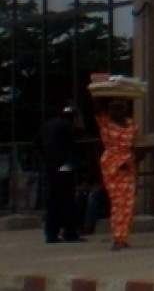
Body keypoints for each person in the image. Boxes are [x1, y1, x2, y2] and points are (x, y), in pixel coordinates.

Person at [36, 100, 85, 244]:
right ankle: (69, 233)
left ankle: (51, 234)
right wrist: (80, 117)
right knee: (67, 200)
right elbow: (80, 132)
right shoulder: (67, 126)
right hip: (65, 165)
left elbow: (36, 143)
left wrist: (46, 157)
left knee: (52, 200)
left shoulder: (48, 125)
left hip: (50, 166)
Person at [94, 98, 137, 251]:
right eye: (115, 109)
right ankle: (118, 238)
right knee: (118, 202)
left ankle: (123, 237)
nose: (118, 112)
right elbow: (96, 107)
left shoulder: (130, 124)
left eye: (121, 108)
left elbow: (134, 144)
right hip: (112, 164)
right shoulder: (106, 124)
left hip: (128, 164)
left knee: (128, 203)